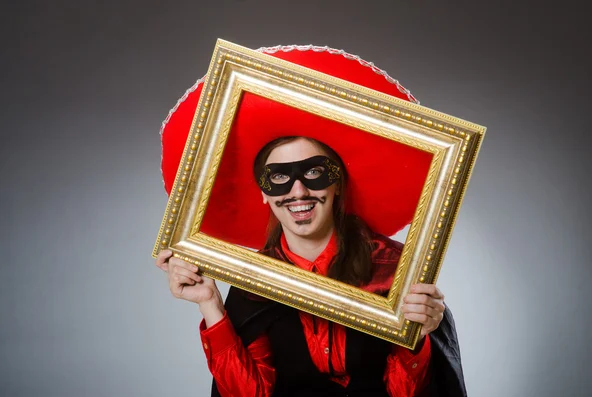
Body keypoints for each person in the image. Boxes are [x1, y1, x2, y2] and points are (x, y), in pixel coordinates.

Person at [155, 45, 467, 397]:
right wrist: (210, 303)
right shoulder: (252, 279)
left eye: (315, 172)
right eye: (279, 178)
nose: (298, 191)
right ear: (264, 194)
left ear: (336, 185)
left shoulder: (395, 269)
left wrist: (418, 336)